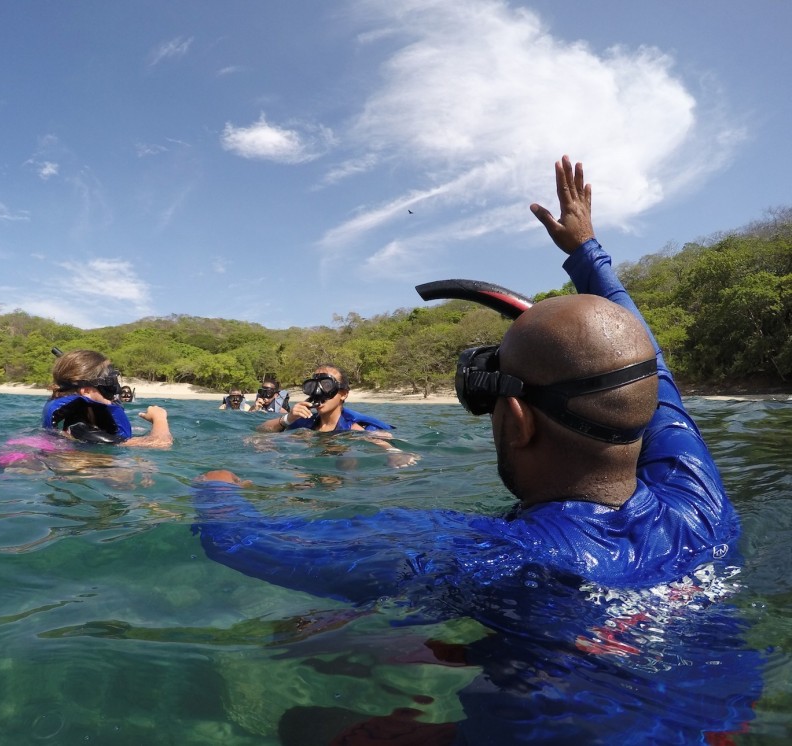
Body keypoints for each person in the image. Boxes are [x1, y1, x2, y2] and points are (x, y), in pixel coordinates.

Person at [192, 157, 760, 742]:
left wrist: (215, 487)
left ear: (515, 419)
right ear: (650, 405)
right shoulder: (697, 491)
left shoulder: (490, 555)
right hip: (720, 723)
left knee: (305, 724)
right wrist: (588, 251)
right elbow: (647, 360)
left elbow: (236, 542)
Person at [43, 349, 172, 448]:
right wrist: (159, 418)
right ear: (86, 391)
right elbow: (160, 443)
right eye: (109, 384)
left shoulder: (83, 408)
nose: (115, 389)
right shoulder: (79, 428)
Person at [257, 365, 393, 434]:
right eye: (313, 386)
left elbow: (382, 442)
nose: (318, 392)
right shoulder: (305, 424)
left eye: (326, 386)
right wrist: (289, 418)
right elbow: (261, 430)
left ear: (344, 394)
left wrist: (394, 453)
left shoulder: (354, 428)